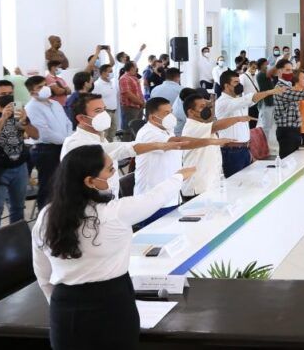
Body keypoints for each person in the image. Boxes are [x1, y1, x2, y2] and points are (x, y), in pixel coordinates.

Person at [33, 144, 196, 350]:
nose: (114, 174)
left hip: (65, 308)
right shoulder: (113, 213)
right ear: (90, 181)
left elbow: (43, 274)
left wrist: (57, 303)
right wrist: (179, 176)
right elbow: (154, 198)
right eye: (110, 169)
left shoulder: (46, 216)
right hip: (112, 305)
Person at [134, 98, 229, 222]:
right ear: (152, 118)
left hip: (171, 197)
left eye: (171, 112)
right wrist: (211, 141)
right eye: (166, 113)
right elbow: (180, 143)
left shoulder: (167, 130)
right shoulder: (148, 133)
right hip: (153, 201)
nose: (171, 116)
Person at [0, 80, 38, 232]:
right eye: (3, 94)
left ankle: (17, 239)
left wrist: (24, 122)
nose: (8, 97)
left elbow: (35, 135)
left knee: (18, 206)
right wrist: (3, 119)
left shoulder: (18, 113)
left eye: (10, 94)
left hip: (20, 167)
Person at [216, 70, 284, 177]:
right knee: (235, 183)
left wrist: (248, 151)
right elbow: (249, 99)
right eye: (235, 82)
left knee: (246, 182)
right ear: (226, 85)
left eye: (239, 82)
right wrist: (270, 92)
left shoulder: (238, 99)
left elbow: (250, 100)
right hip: (232, 151)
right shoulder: (223, 102)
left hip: (244, 149)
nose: (239, 85)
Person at [180, 94, 245, 199]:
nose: (206, 109)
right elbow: (216, 125)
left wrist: (211, 106)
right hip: (197, 188)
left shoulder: (203, 125)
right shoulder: (192, 127)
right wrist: (238, 119)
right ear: (191, 112)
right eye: (202, 107)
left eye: (206, 106)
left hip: (210, 185)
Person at [24, 76, 74, 210]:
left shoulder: (55, 103)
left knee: (63, 185)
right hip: (46, 150)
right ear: (32, 92)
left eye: (45, 85)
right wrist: (67, 140)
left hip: (63, 146)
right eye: (40, 87)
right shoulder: (31, 107)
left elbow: (68, 123)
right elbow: (44, 133)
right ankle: (45, 221)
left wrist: (69, 139)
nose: (45, 88)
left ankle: (61, 215)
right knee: (48, 187)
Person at [117, 61, 144, 138]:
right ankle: (126, 146)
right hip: (130, 108)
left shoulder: (134, 77)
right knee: (128, 130)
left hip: (138, 106)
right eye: (136, 66)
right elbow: (127, 93)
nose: (137, 68)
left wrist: (142, 102)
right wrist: (141, 102)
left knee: (136, 128)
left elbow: (139, 92)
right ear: (132, 68)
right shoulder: (124, 78)